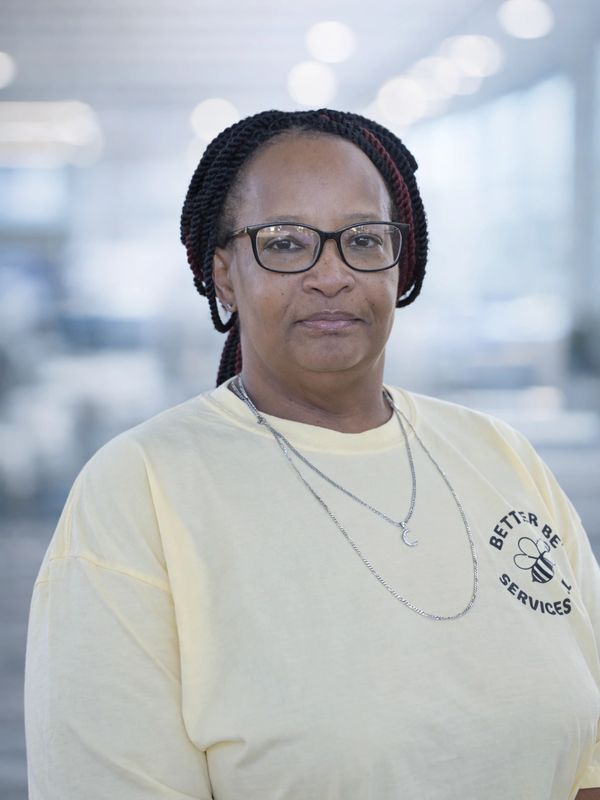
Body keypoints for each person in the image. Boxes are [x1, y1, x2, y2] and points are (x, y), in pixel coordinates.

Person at [24, 108, 600, 800]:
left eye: (363, 239)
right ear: (224, 274)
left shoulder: (500, 456)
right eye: (287, 243)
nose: (332, 275)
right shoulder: (140, 488)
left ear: (400, 263)